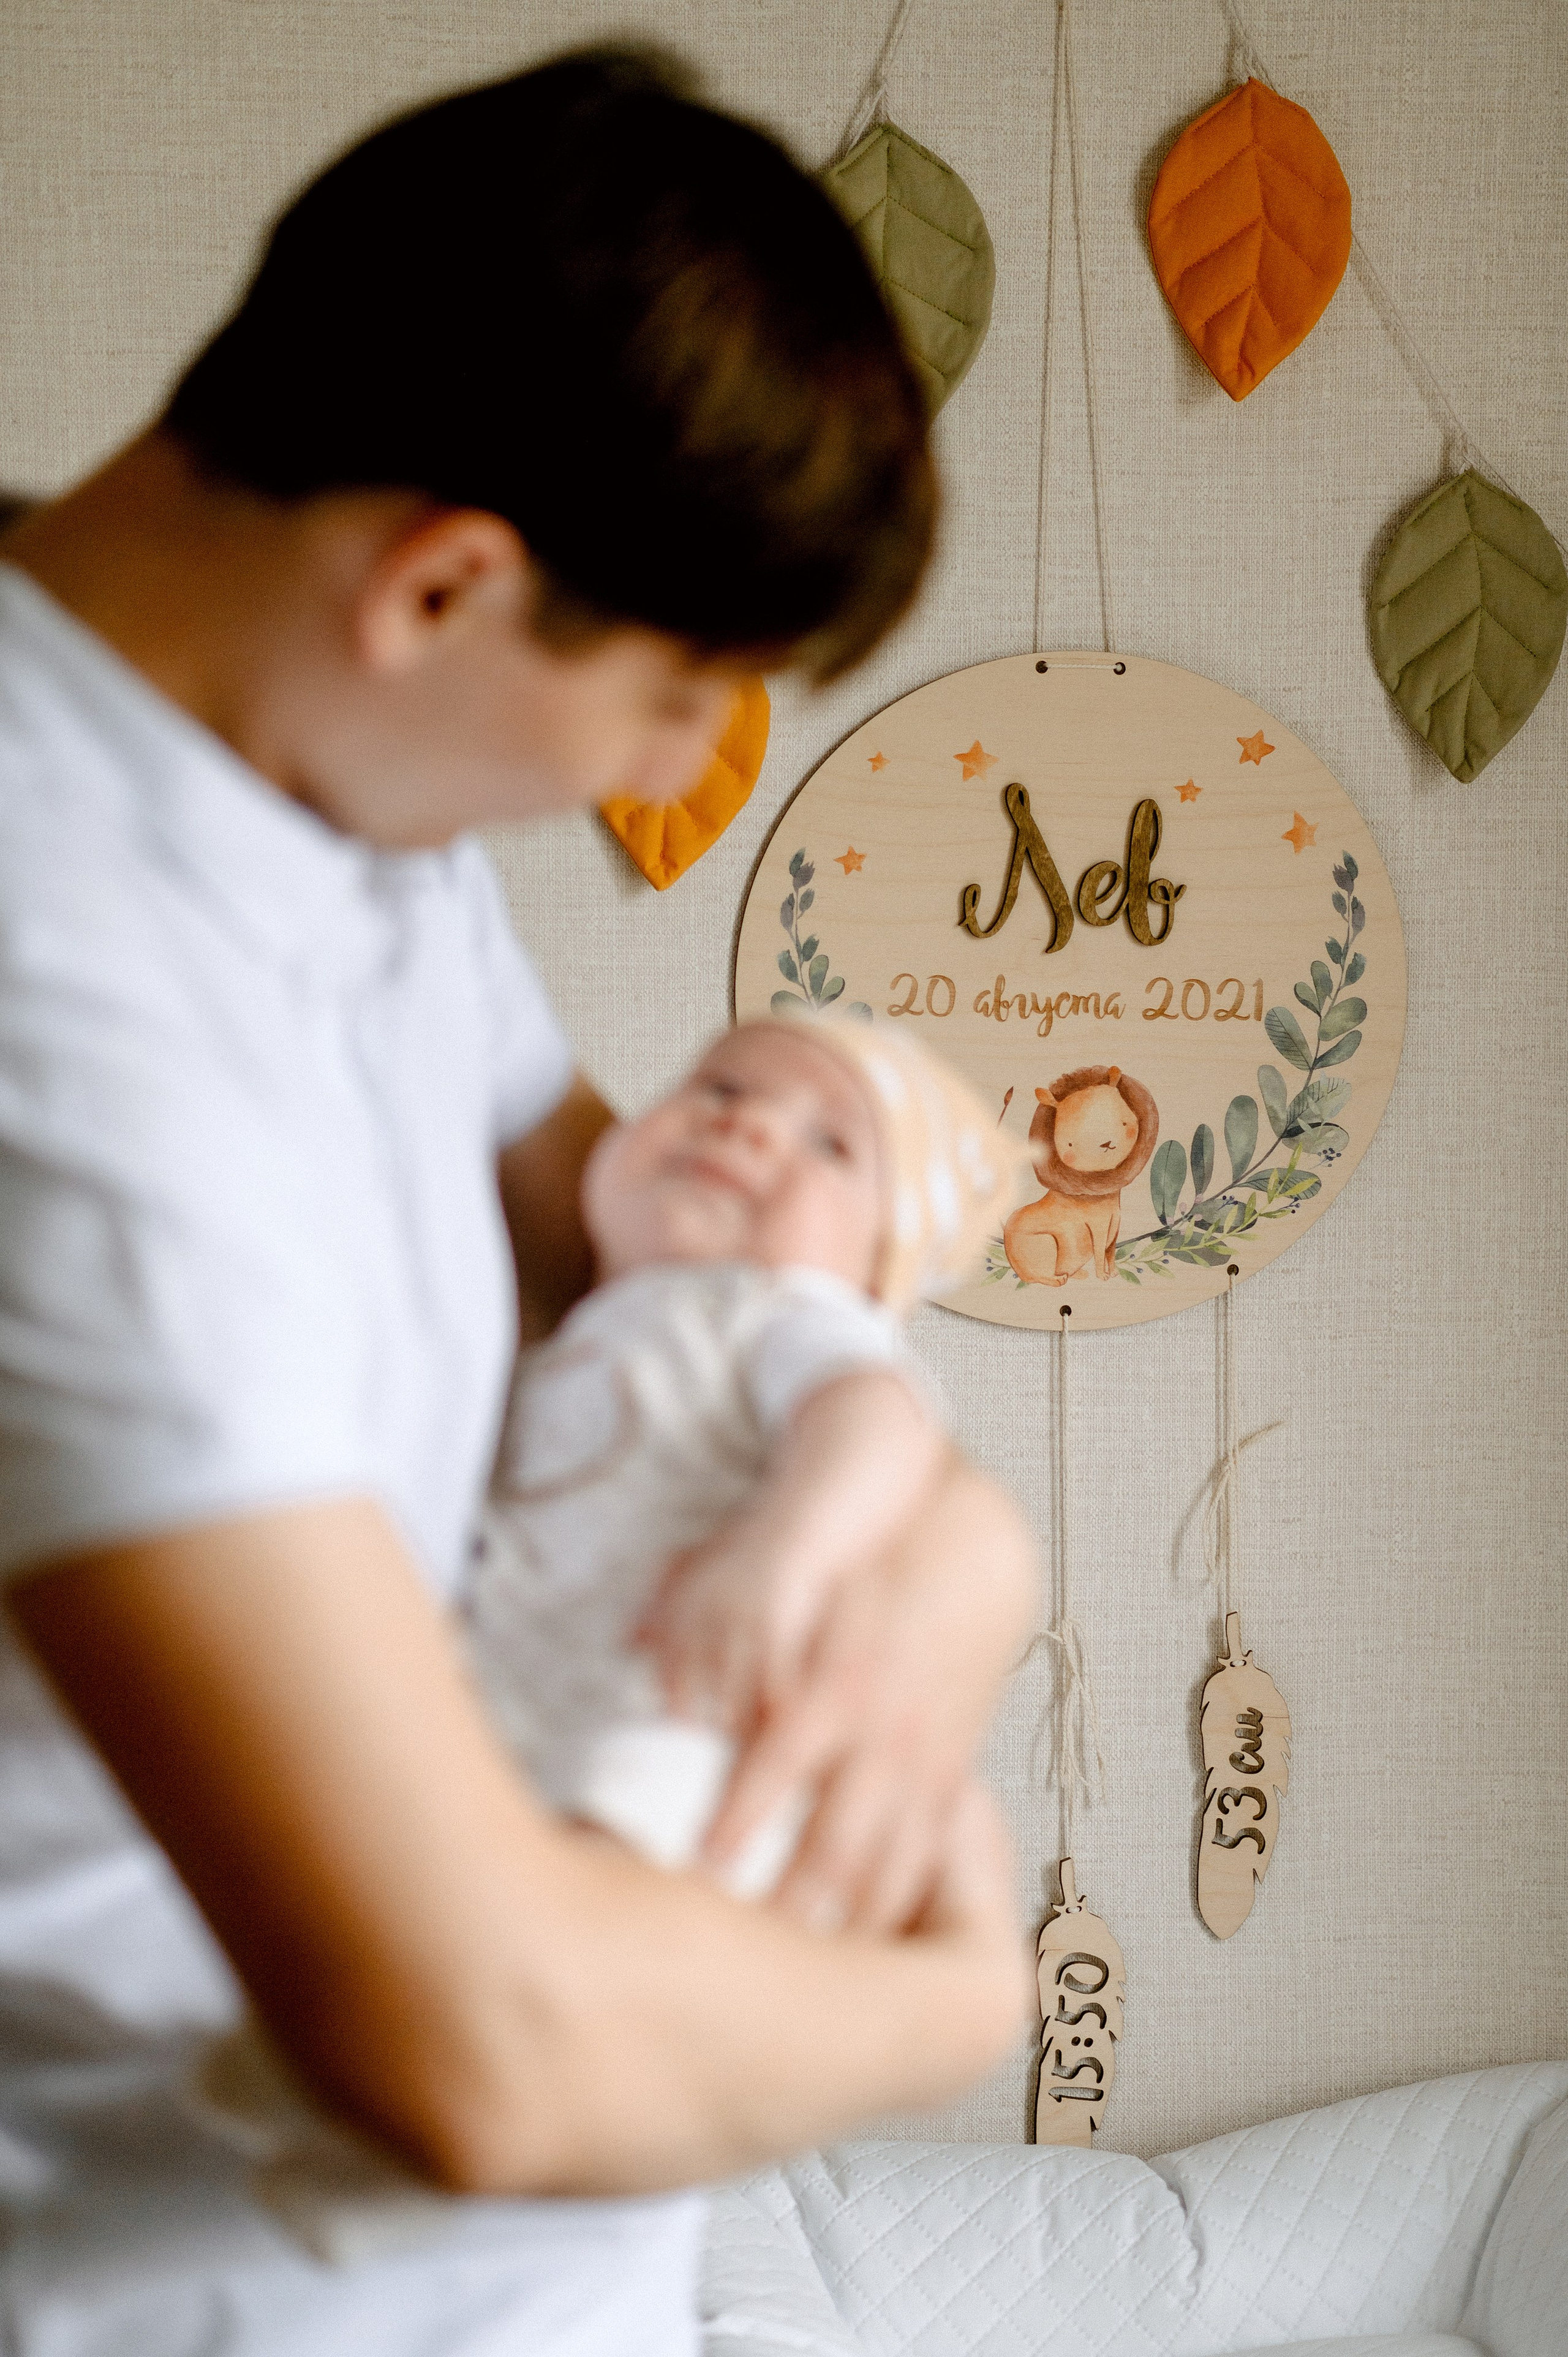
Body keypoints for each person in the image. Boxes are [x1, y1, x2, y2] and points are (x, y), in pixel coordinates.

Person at [0, 45, 1033, 2355]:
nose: (669, 779)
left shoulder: (329, 807)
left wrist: (963, 1551)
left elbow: (701, 1273)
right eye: (683, 696)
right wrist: (961, 1993)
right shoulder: (60, 1006)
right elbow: (476, 2039)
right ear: (445, 583)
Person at [475, 1016, 1027, 1893]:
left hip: (675, 1699)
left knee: (604, 1874)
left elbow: (879, 1419)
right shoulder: (571, 1334)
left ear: (872, 1272)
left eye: (828, 1142)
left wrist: (786, 1549)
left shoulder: (784, 1314)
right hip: (520, 1702)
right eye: (720, 1088)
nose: (750, 1124)